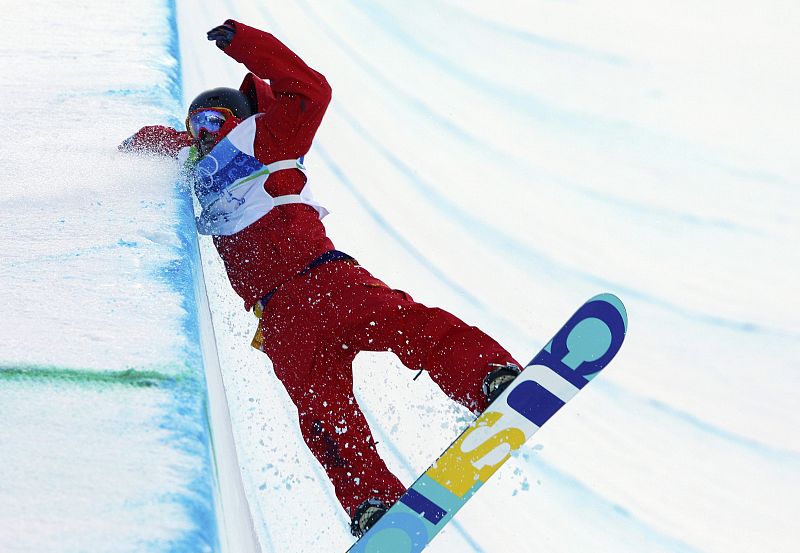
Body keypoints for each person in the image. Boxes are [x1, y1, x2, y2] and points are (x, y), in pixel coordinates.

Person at [121, 19, 521, 538]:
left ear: (239, 118)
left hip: (324, 281)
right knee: (323, 415)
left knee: (407, 325)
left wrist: (246, 43)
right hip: (279, 319)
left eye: (215, 121)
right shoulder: (195, 162)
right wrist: (121, 150)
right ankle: (372, 500)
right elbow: (155, 141)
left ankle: (486, 376)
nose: (205, 135)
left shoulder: (268, 135)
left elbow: (312, 90)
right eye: (196, 125)